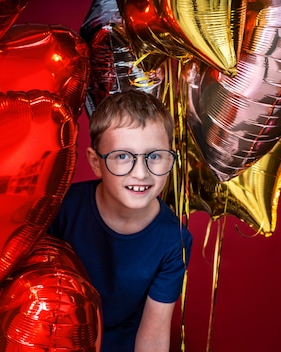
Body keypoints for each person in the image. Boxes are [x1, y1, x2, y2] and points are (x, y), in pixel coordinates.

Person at [49, 90, 193, 352]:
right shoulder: (62, 208)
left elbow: (154, 334)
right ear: (95, 162)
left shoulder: (175, 241)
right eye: (123, 156)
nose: (140, 173)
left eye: (155, 156)